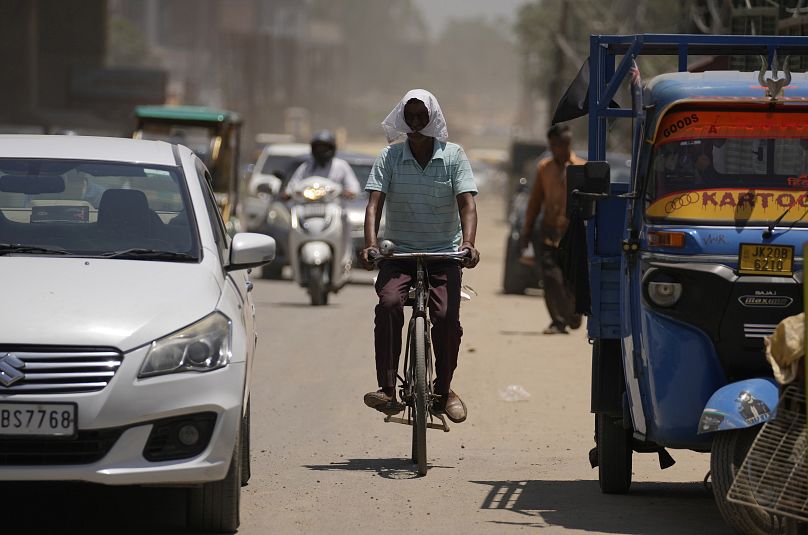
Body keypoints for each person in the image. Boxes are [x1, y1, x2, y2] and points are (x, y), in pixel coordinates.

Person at [359, 89, 480, 423]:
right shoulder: (390, 157)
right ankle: (387, 389)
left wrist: (469, 244)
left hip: (444, 255)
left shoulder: (454, 156)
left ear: (433, 119)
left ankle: (443, 389)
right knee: (388, 305)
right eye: (409, 117)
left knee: (446, 318)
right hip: (398, 253)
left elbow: (467, 205)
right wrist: (371, 245)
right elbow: (374, 205)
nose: (414, 123)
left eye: (421, 117)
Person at [520, 123, 584, 335]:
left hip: (572, 235)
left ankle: (573, 313)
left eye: (564, 144)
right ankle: (558, 321)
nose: (560, 148)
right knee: (550, 277)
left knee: (570, 279)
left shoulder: (581, 167)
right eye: (556, 144)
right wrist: (527, 231)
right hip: (549, 232)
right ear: (551, 145)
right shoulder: (544, 168)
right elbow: (535, 202)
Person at [283, 130, 360, 200]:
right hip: (307, 205)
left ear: (331, 149)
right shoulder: (306, 166)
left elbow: (353, 189)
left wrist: (343, 193)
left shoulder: (341, 166)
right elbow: (292, 187)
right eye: (318, 148)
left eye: (324, 148)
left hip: (334, 206)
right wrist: (288, 193)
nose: (321, 151)